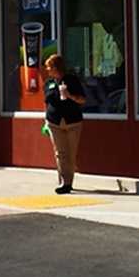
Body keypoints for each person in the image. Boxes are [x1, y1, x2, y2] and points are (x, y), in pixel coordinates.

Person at [43, 54, 87, 194]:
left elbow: (82, 100)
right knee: (60, 153)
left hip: (72, 121)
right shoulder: (49, 83)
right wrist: (46, 120)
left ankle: (69, 180)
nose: (47, 70)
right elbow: (46, 102)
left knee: (71, 153)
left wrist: (70, 95)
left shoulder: (71, 80)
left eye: (49, 67)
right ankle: (64, 183)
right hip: (54, 122)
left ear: (56, 67)